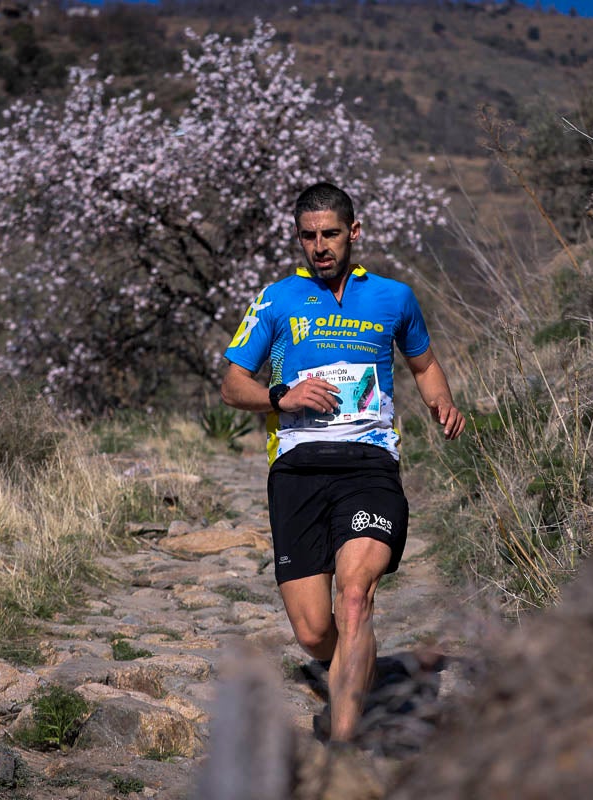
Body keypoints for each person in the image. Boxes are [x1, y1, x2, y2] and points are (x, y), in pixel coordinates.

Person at [220, 182, 465, 743]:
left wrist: (442, 400)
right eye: (309, 236)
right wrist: (283, 396)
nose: (320, 245)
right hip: (298, 469)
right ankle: (358, 670)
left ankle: (345, 747)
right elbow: (233, 384)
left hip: (369, 466)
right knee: (312, 632)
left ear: (354, 232)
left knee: (355, 597)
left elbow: (425, 365)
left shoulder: (393, 297)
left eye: (330, 233)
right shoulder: (275, 300)